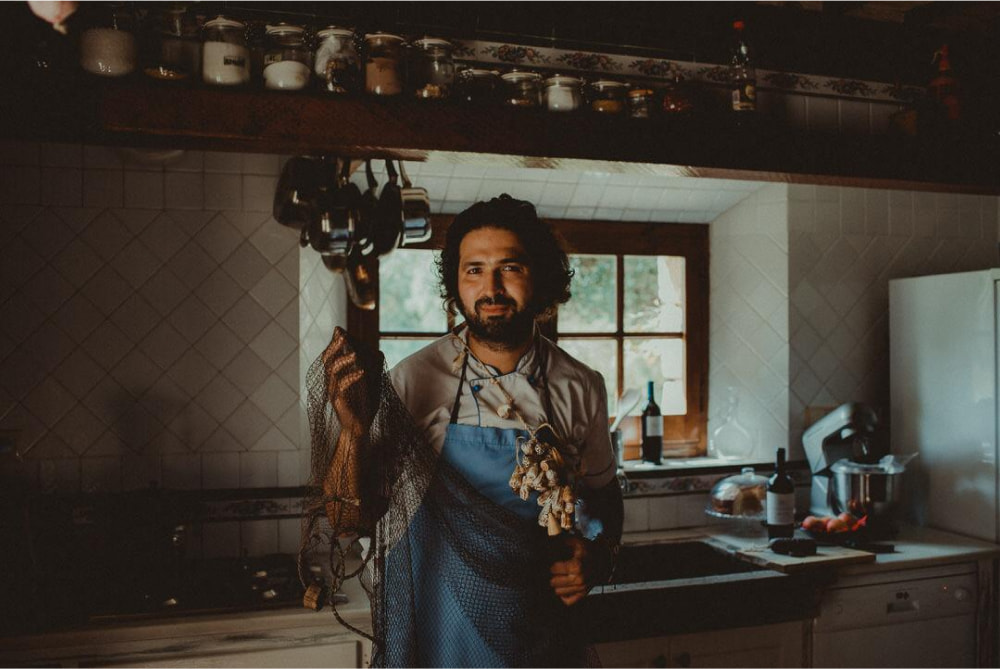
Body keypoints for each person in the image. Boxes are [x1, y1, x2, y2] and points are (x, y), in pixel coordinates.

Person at [314, 195, 623, 668]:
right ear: (455, 284)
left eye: (510, 268)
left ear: (539, 275)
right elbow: (347, 519)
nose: (491, 288)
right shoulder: (414, 379)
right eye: (474, 270)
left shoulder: (579, 386)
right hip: (436, 635)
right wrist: (352, 432)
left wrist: (595, 556)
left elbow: (604, 500)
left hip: (539, 637)